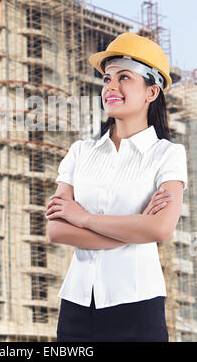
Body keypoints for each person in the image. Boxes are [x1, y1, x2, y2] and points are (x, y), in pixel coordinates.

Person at [46, 32, 188, 342]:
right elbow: (56, 230)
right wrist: (134, 229)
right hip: (76, 308)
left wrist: (82, 218)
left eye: (124, 78)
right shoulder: (80, 152)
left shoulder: (168, 155)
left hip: (138, 306)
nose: (111, 86)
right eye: (107, 78)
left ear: (152, 91)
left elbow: (161, 229)